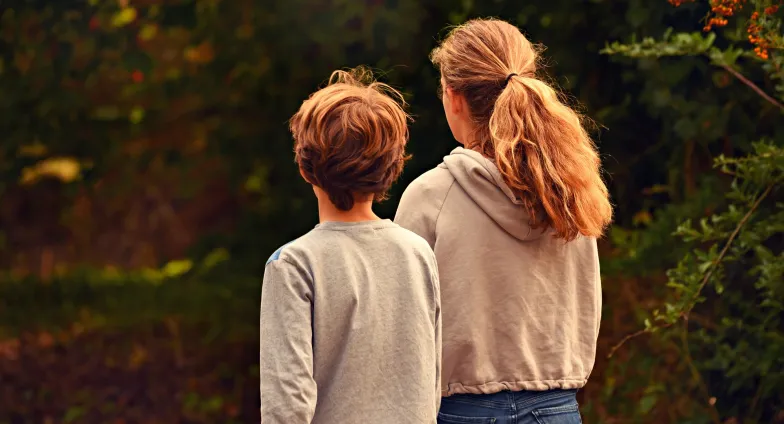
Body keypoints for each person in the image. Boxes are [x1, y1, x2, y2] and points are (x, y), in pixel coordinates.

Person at [395, 18, 613, 424]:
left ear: (454, 97)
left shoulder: (430, 197)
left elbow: (402, 327)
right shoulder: (572, 188)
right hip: (557, 408)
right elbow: (589, 305)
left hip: (459, 411)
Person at [260, 67, 441, 423]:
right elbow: (430, 382)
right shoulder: (418, 252)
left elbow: (287, 405)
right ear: (392, 168)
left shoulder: (293, 264)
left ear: (304, 167)